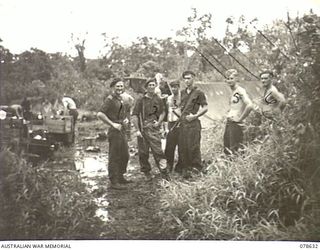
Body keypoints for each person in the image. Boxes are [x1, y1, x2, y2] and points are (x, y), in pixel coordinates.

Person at [132, 78, 169, 181]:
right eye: (150, 85)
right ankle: (146, 172)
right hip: (143, 129)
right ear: (146, 87)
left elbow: (163, 112)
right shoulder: (141, 100)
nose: (152, 87)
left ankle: (164, 173)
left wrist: (159, 122)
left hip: (154, 129)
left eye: (153, 85)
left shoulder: (158, 99)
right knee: (143, 153)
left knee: (158, 152)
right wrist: (137, 130)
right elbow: (134, 115)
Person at [97, 78, 131, 190]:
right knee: (114, 156)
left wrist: (125, 119)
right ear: (113, 87)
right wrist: (112, 124)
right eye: (117, 86)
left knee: (125, 154)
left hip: (122, 129)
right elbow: (100, 114)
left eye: (121, 86)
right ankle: (114, 181)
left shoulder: (121, 99)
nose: (120, 88)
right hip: (114, 131)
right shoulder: (110, 99)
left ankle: (120, 176)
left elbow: (123, 112)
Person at [178, 70, 208, 179]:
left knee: (194, 146)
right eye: (185, 78)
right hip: (183, 123)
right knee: (183, 146)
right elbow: (180, 107)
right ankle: (186, 169)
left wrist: (195, 116)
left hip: (194, 123)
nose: (187, 80)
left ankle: (196, 169)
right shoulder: (182, 92)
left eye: (189, 78)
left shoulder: (199, 93)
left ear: (193, 78)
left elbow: (205, 107)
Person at [223, 69, 253, 155]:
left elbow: (250, 105)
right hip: (230, 122)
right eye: (227, 78)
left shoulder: (240, 91)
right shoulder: (232, 92)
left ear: (236, 79)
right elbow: (234, 107)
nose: (229, 80)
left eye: (231, 78)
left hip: (236, 123)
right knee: (227, 148)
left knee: (235, 149)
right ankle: (228, 167)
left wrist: (240, 119)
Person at [164, 80, 183, 173]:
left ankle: (180, 166)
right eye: (172, 87)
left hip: (179, 123)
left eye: (175, 87)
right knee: (169, 146)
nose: (174, 89)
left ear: (179, 87)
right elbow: (167, 112)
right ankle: (169, 165)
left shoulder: (182, 97)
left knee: (181, 146)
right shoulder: (169, 98)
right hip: (171, 123)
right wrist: (166, 126)